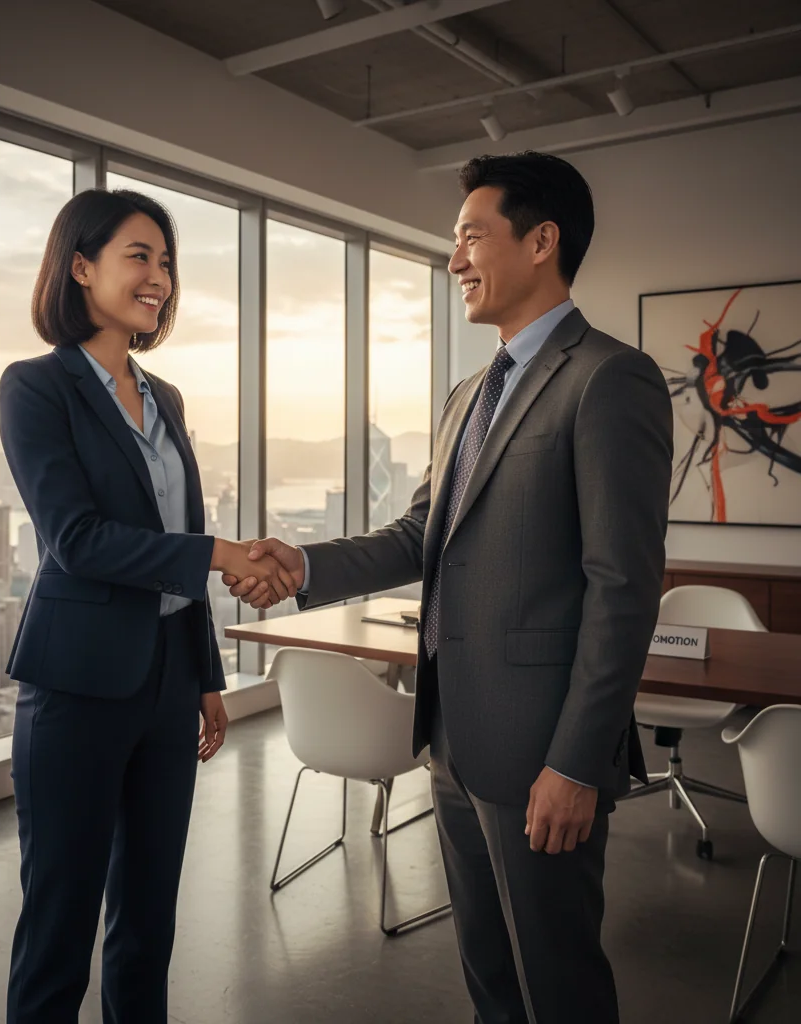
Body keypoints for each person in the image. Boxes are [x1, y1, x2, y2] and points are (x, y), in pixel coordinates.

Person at [225, 152, 673, 1024]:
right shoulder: (471, 393)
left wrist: (576, 761)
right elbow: (416, 537)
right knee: (491, 979)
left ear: (542, 241)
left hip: (544, 751)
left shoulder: (609, 379)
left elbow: (622, 589)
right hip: (454, 741)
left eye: (471, 236)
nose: (454, 259)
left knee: (559, 984)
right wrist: (302, 563)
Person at [0, 188, 296, 1024]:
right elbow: (77, 540)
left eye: (166, 261)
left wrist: (204, 676)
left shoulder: (165, 397)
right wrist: (217, 555)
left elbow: (177, 530)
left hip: (168, 682)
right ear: (81, 266)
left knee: (148, 922)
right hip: (77, 687)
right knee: (59, 929)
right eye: (140, 256)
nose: (159, 276)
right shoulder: (35, 388)